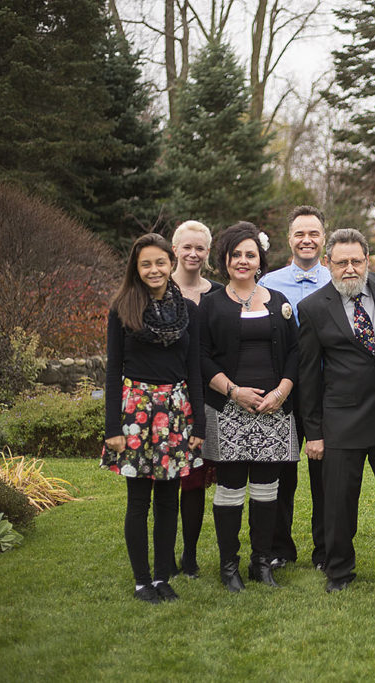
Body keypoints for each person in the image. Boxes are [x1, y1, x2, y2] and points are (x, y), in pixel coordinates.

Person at [297, 229, 375, 594]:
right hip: (341, 420)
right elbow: (308, 377)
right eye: (341, 262)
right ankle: (339, 571)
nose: (349, 269)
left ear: (367, 261)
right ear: (328, 263)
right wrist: (314, 432)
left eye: (356, 261)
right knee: (339, 504)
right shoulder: (312, 308)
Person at [101, 233, 205, 604]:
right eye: (146, 264)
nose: (154, 270)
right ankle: (142, 581)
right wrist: (113, 428)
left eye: (160, 262)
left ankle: (163, 576)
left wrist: (199, 427)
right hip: (137, 413)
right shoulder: (122, 307)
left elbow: (194, 369)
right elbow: (113, 370)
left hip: (176, 412)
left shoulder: (188, 311)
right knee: (138, 502)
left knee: (168, 501)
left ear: (171, 262)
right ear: (136, 267)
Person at [200, 222, 299, 592]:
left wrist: (281, 392)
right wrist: (234, 391)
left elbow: (294, 352)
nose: (243, 261)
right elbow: (202, 356)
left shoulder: (278, 302)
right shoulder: (211, 304)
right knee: (229, 488)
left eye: (250, 255)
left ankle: (262, 562)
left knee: (267, 486)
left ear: (260, 261)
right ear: (225, 260)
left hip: (273, 410)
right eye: (236, 254)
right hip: (229, 409)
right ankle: (229, 566)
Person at [259, 206, 330, 572]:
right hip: (282, 392)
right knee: (282, 472)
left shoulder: (337, 280)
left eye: (313, 233)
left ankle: (325, 551)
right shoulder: (268, 284)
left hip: (327, 392)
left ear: (323, 237)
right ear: (289, 239)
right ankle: (279, 548)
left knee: (325, 476)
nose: (307, 240)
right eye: (300, 234)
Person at [170, 220, 223, 579]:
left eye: (199, 248)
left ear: (207, 252)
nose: (193, 254)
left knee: (193, 481)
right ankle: (162, 553)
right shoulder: (158, 288)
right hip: (165, 397)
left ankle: (189, 556)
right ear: (174, 249)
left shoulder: (217, 294)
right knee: (164, 480)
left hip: (205, 398)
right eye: (186, 247)